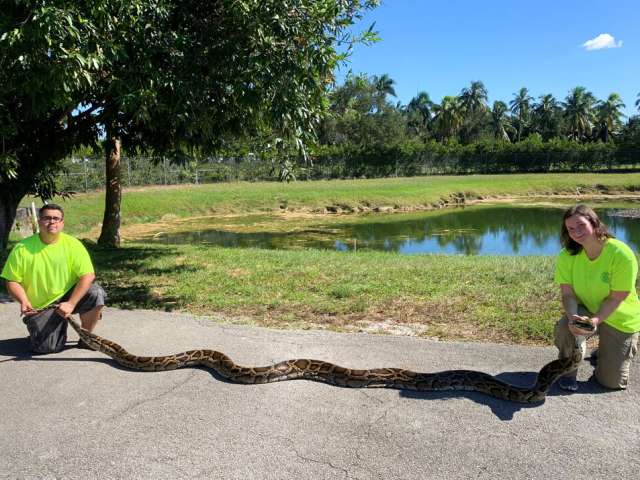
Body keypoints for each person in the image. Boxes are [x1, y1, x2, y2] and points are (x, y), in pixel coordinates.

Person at [554, 204, 640, 391]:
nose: (576, 232)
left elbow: (617, 298)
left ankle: (602, 353)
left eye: (581, 225)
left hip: (619, 317)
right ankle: (568, 372)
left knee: (611, 383)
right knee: (565, 328)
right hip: (587, 309)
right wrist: (572, 318)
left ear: (594, 222)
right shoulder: (567, 256)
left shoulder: (621, 254)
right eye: (570, 228)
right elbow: (567, 294)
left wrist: (594, 320)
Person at [1, 203, 106, 353]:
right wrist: (23, 300)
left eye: (56, 218)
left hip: (68, 297)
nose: (52, 222)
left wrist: (71, 303)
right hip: (42, 306)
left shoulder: (73, 245)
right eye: (47, 218)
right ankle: (41, 326)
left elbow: (88, 275)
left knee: (95, 293)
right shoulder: (22, 248)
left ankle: (86, 338)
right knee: (47, 348)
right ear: (39, 221)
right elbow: (11, 280)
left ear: (62, 222)